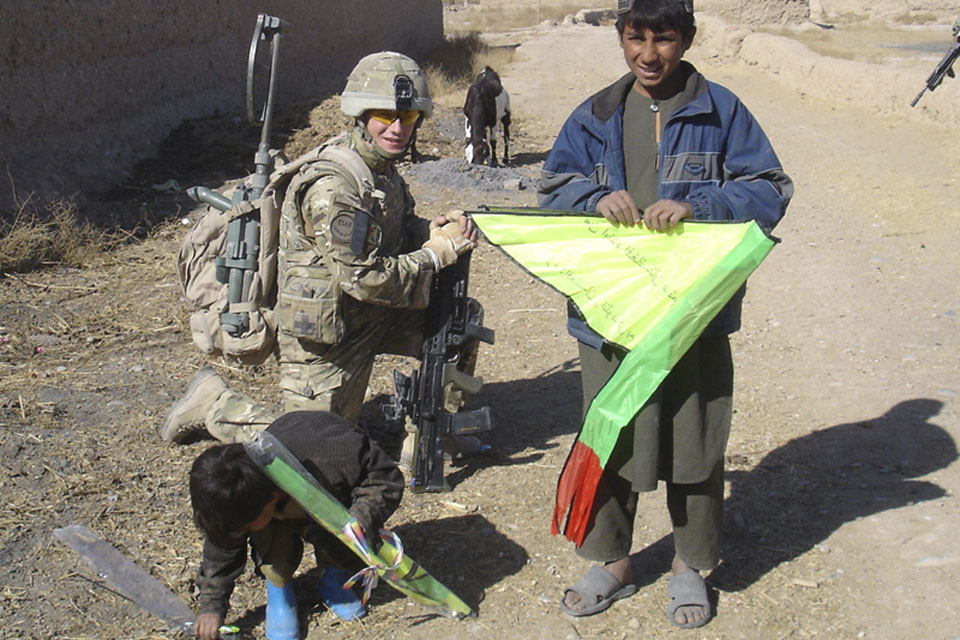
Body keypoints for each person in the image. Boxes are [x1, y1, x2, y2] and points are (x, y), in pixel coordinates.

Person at [538, 0, 792, 629]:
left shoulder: (722, 110)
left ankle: (690, 565)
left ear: (687, 39)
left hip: (691, 314)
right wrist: (595, 198)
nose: (649, 54)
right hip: (610, 315)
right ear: (620, 36)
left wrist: (699, 205)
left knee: (695, 439)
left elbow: (768, 187)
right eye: (635, 37)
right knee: (613, 434)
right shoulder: (594, 115)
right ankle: (610, 560)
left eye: (664, 38)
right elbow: (552, 190)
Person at [160, 52, 483, 452]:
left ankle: (431, 435)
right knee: (314, 454)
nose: (398, 128)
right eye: (385, 114)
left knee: (460, 319)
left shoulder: (381, 168)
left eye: (409, 117)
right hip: (327, 340)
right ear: (360, 115)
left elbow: (392, 232)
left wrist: (427, 231)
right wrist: (434, 256)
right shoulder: (334, 187)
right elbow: (364, 278)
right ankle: (214, 404)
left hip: (373, 315)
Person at [188, 410, 404, 640]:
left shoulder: (338, 456)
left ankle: (336, 577)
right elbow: (223, 544)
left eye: (244, 528)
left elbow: (386, 480)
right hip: (281, 497)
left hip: (329, 486)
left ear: (270, 502)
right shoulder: (238, 489)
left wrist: (361, 519)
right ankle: (279, 591)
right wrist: (212, 606)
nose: (239, 534)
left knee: (345, 523)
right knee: (265, 530)